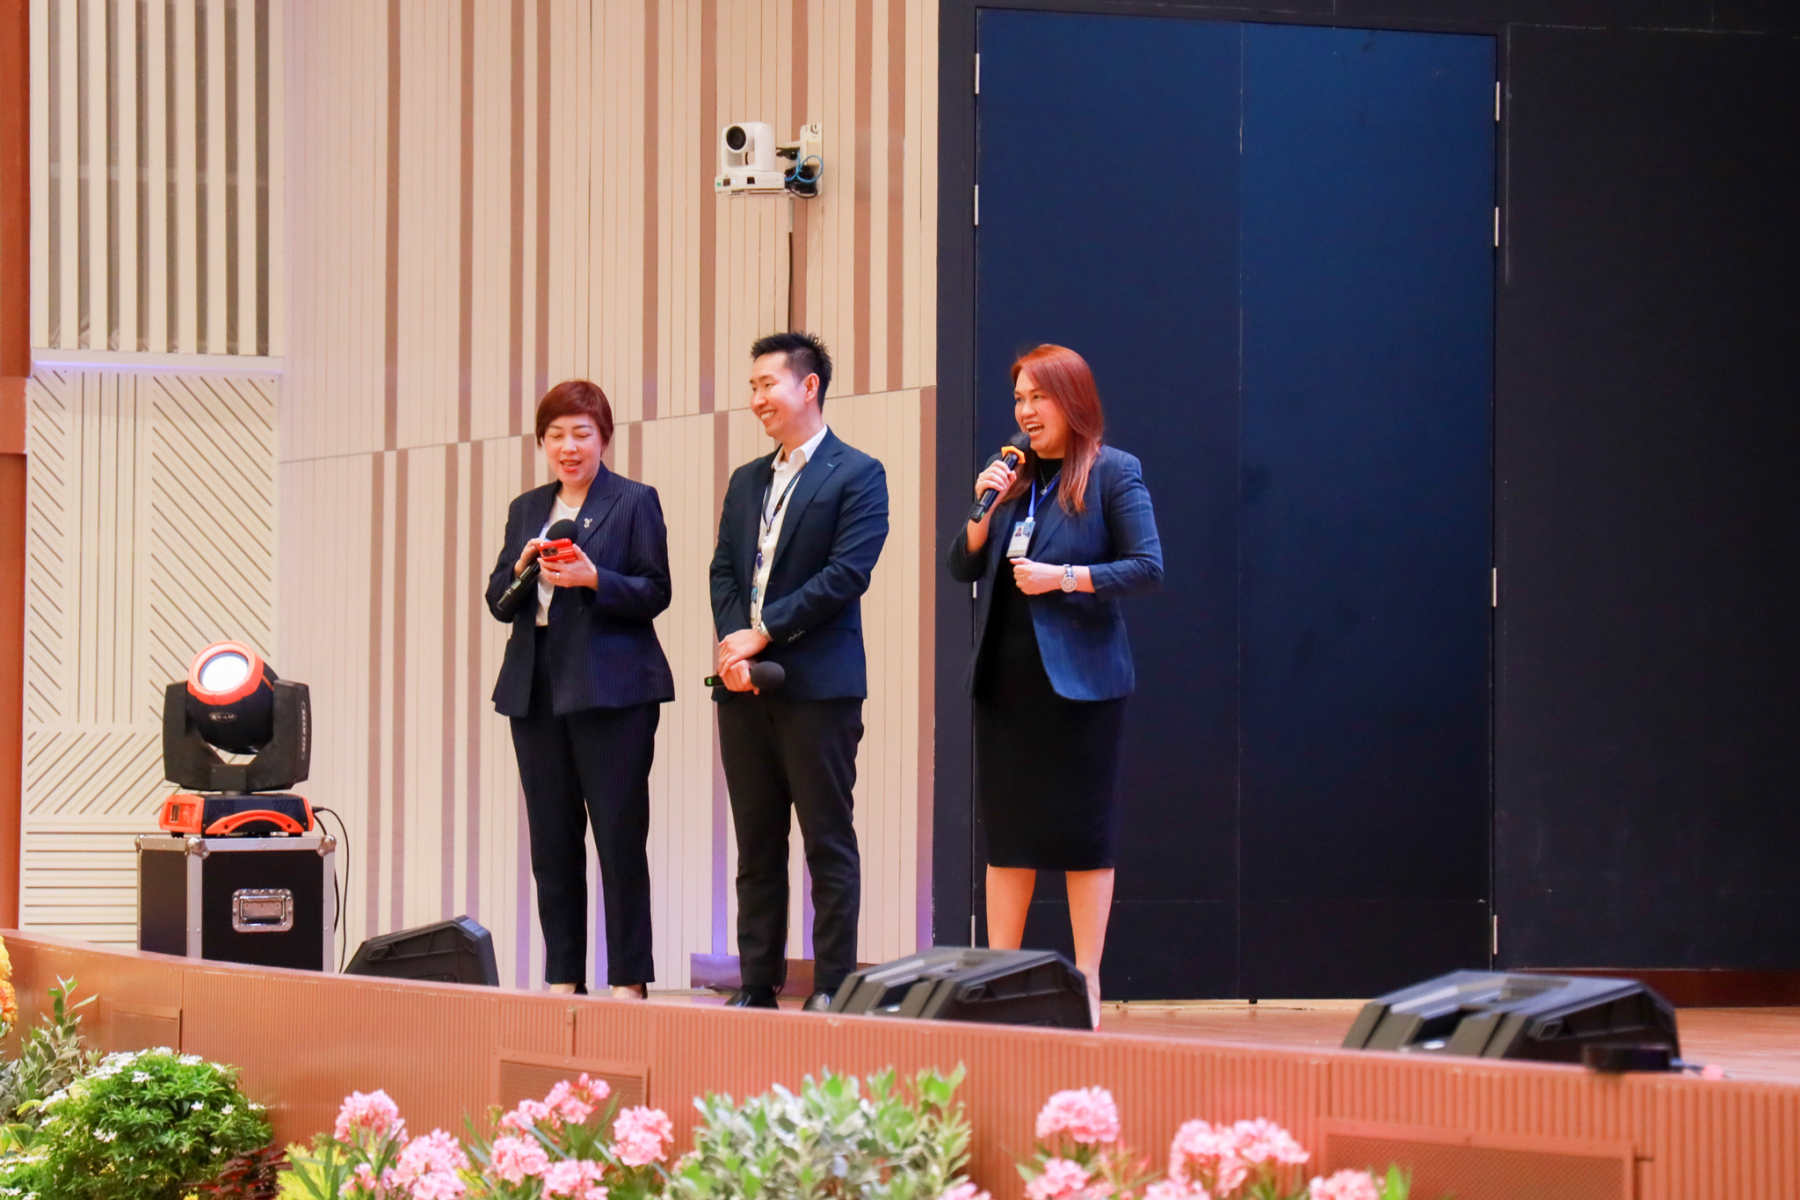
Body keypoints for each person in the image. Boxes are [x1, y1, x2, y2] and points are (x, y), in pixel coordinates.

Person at [946, 344, 1163, 1026]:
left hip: (1083, 684)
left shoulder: (1113, 472)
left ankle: (1086, 981)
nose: (1025, 411)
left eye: (1038, 397)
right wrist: (983, 506)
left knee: (1082, 835)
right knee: (1008, 835)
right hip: (1007, 679)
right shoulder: (1012, 476)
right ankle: (997, 978)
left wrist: (1064, 577)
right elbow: (961, 566)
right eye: (1019, 399)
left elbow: (1147, 566)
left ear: (1072, 400)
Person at [710, 332, 890, 1012]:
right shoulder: (747, 480)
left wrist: (766, 632)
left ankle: (834, 988)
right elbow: (723, 571)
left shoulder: (858, 473)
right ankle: (757, 984)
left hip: (819, 689)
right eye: (753, 387)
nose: (757, 398)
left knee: (827, 842)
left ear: (808, 386)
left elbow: (847, 574)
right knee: (756, 847)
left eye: (768, 384)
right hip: (742, 689)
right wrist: (736, 646)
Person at [487, 380, 675, 999]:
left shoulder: (634, 500)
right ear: (542, 442)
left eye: (581, 434)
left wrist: (595, 579)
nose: (569, 447)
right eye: (556, 435)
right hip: (535, 686)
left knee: (619, 838)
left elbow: (655, 590)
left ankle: (629, 980)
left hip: (612, 687)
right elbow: (498, 600)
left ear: (604, 438)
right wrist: (521, 569)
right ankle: (563, 975)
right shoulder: (526, 509)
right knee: (552, 841)